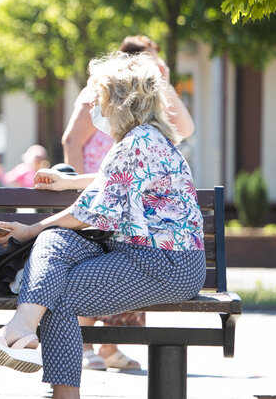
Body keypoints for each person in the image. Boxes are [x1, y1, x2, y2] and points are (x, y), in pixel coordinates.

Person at [0, 52, 206, 399]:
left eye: (98, 96)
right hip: (135, 250)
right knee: (54, 240)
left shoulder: (137, 142)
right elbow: (112, 181)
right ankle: (21, 328)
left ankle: (56, 382)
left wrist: (28, 229)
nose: (94, 105)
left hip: (165, 264)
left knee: (59, 294)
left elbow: (87, 214)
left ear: (120, 101)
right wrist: (68, 184)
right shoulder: (144, 138)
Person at [59, 34, 196, 370]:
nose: (156, 67)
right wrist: (80, 190)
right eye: (151, 61)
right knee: (101, 266)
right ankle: (85, 344)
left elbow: (186, 128)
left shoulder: (147, 99)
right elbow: (71, 140)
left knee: (133, 258)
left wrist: (162, 82)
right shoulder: (104, 91)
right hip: (103, 188)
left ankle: (108, 346)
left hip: (133, 191)